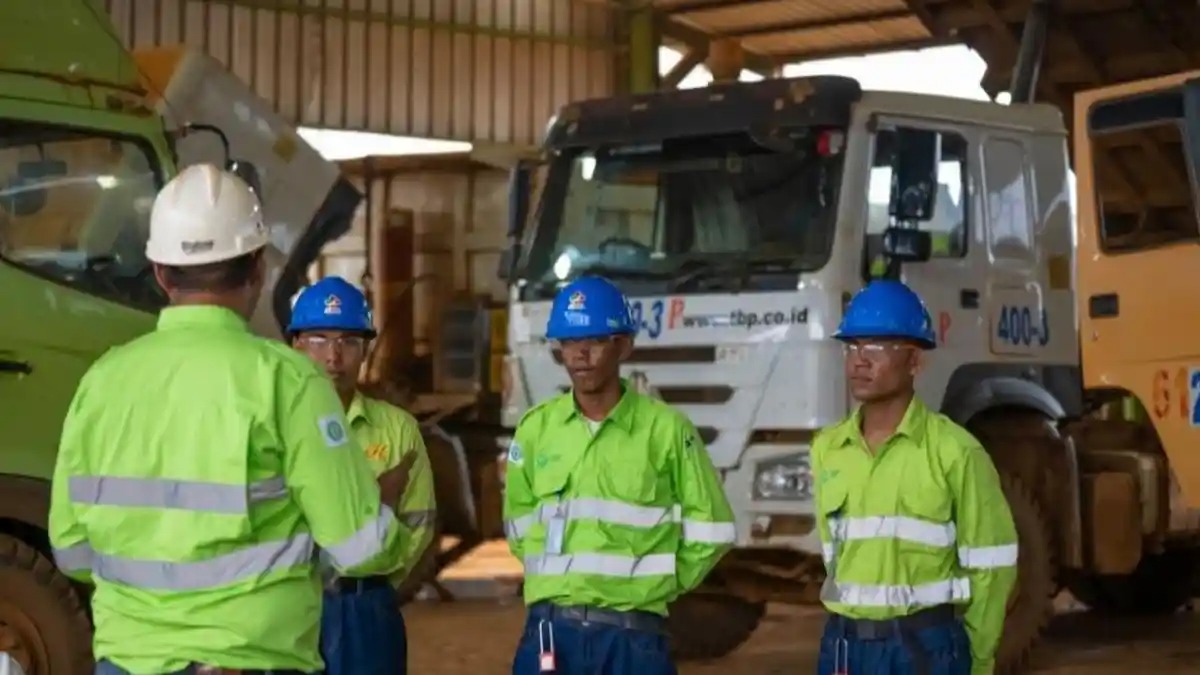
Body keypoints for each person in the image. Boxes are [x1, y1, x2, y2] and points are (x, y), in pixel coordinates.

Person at [48, 164, 409, 675]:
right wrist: (386, 513)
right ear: (258, 268)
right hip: (249, 661)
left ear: (160, 271)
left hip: (127, 663)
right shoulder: (288, 382)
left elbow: (72, 553)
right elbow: (360, 549)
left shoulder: (102, 382)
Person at [503, 276, 737, 675]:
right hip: (550, 634)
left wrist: (660, 582)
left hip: (634, 638)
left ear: (624, 346)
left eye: (595, 341)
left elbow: (713, 529)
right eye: (569, 343)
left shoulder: (666, 430)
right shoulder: (535, 429)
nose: (581, 355)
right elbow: (519, 525)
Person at [812, 280, 1018, 675]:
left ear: (914, 361)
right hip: (843, 646)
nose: (859, 360)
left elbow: (993, 567)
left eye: (876, 347)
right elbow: (834, 556)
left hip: (925, 647)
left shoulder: (956, 452)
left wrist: (977, 659)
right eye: (852, 346)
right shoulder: (827, 449)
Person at [287, 275, 436, 675]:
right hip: (293, 606)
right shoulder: (274, 427)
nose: (333, 357)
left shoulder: (398, 430)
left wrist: (375, 584)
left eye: (349, 342)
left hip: (367, 607)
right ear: (296, 345)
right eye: (319, 340)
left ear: (366, 349)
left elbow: (419, 525)